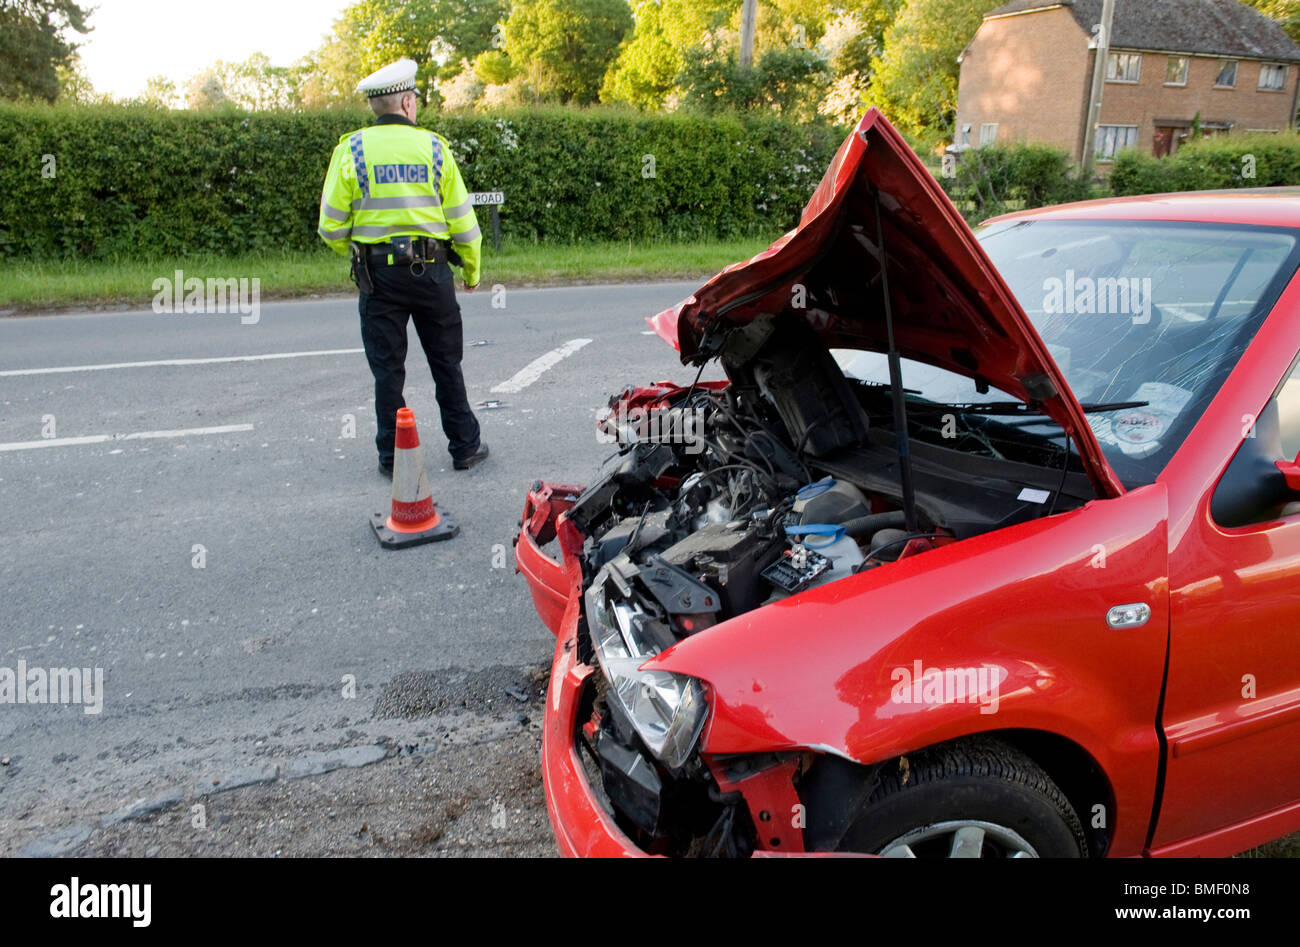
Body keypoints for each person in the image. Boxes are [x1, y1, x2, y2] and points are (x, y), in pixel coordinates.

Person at [317, 58, 489, 477]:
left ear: (378, 107)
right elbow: (464, 223)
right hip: (432, 273)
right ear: (408, 102)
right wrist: (471, 269)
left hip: (378, 278)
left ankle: (392, 458)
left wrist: (358, 256)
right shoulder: (435, 149)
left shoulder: (350, 150)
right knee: (446, 362)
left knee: (388, 371)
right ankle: (464, 447)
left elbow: (330, 225)